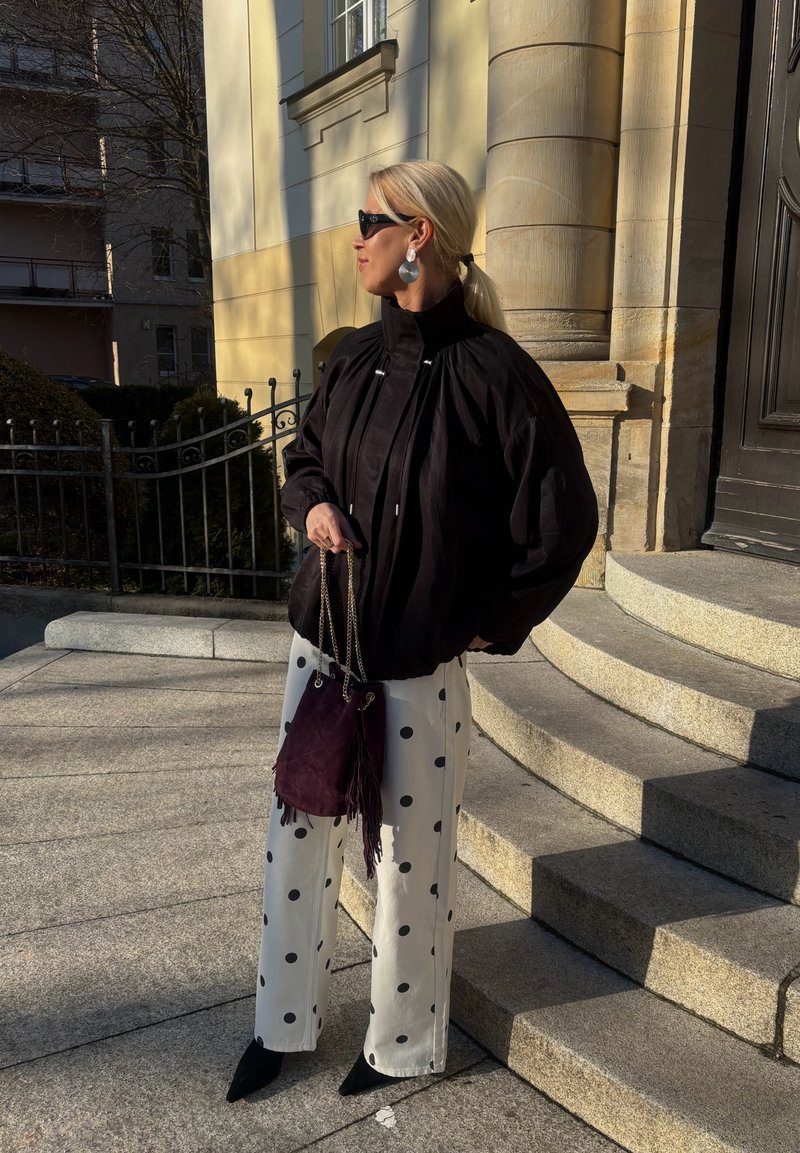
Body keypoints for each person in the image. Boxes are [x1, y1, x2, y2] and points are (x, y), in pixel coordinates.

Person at [226, 160, 597, 1102]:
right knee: (295, 834)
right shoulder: (348, 356)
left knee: (408, 862)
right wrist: (309, 506)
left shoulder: (494, 375)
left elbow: (564, 519)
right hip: (323, 650)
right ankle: (280, 1023)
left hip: (414, 673)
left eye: (369, 220)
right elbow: (303, 458)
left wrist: (486, 620)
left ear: (418, 235)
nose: (356, 238)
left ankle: (398, 1042)